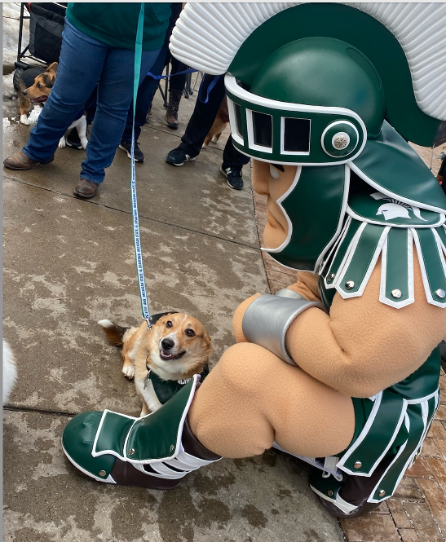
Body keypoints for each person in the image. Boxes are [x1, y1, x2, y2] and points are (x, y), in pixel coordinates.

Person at [61, 2, 446, 521]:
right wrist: (279, 317)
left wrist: (257, 318)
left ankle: (153, 459)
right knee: (257, 342)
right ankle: (300, 439)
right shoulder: (362, 210)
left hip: (375, 411)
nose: (262, 182)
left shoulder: (401, 238)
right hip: (354, 392)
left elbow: (359, 364)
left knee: (245, 372)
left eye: (279, 164)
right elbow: (317, 288)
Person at [3, 2, 171, 199]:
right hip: (89, 19)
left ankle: (93, 172)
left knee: (114, 108)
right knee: (64, 96)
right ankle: (38, 150)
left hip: (142, 32)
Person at [119, 3, 185, 163]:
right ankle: (83, 122)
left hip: (165, 29)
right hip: (126, 22)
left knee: (146, 87)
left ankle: (129, 135)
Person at [165, 73, 250, 190]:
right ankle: (189, 147)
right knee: (209, 97)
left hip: (258, 63)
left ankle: (234, 164)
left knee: (250, 112)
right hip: (225, 60)